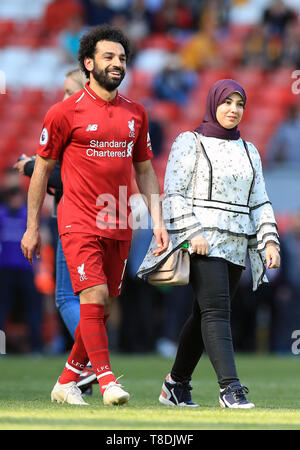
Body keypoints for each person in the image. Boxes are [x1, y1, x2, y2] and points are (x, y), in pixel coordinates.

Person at [21, 24, 169, 406]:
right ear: (88, 63)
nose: (117, 63)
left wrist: (157, 219)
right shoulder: (63, 112)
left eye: (122, 58)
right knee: (96, 296)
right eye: (108, 57)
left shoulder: (136, 113)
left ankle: (67, 380)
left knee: (101, 307)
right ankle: (107, 383)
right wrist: (33, 225)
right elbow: (40, 170)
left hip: (120, 219)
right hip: (78, 218)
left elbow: (145, 170)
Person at [138, 79, 280, 409]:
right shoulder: (190, 141)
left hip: (235, 246)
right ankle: (230, 389)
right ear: (213, 103)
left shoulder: (250, 151)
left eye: (239, 104)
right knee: (217, 313)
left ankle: (175, 385)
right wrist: (192, 234)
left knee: (203, 313)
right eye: (227, 102)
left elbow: (260, 202)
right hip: (201, 242)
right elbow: (173, 192)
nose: (233, 109)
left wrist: (269, 241)